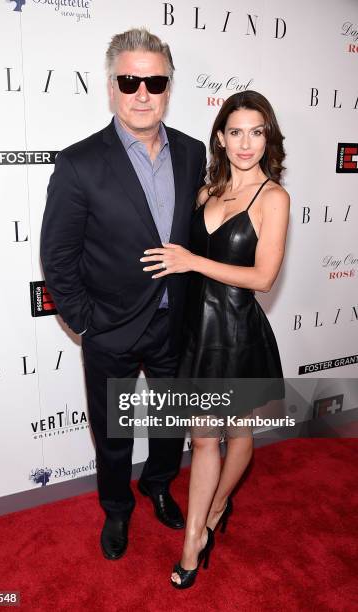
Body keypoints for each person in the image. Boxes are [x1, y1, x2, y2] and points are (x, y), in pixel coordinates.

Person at [40, 28, 206, 560]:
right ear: (111, 86)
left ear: (168, 87)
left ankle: (158, 484)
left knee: (168, 425)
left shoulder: (191, 152)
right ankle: (116, 510)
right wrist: (86, 321)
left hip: (172, 322)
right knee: (113, 437)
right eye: (130, 80)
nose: (142, 92)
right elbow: (59, 256)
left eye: (154, 81)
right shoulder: (80, 163)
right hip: (110, 326)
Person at [140, 90, 289, 588]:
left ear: (267, 138)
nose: (245, 143)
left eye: (256, 131)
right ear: (221, 138)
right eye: (236, 131)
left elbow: (264, 277)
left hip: (239, 333)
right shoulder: (206, 191)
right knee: (204, 439)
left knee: (239, 435)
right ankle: (193, 541)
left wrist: (193, 260)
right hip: (196, 335)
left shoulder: (274, 198)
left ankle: (220, 502)